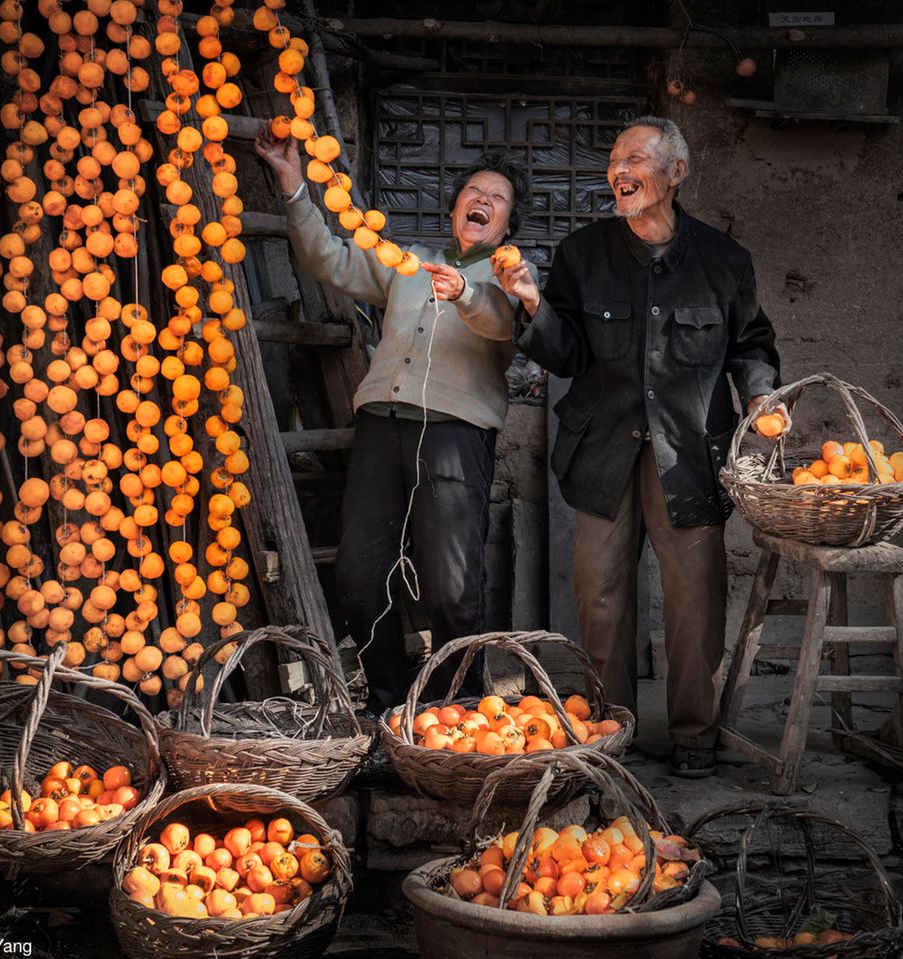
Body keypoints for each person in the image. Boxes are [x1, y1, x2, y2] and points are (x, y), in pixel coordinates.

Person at [491, 116, 781, 778]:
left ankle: (694, 737)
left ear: (676, 172)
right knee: (600, 595)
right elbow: (566, 353)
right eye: (615, 158)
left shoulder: (724, 262)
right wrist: (533, 304)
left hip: (690, 453)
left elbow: (751, 345)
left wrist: (762, 398)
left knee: (695, 600)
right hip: (603, 449)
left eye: (636, 159)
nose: (619, 169)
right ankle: (610, 731)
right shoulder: (584, 254)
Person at [254, 130, 536, 715]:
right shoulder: (409, 263)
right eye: (473, 191)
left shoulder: (512, 277)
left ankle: (457, 712)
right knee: (358, 576)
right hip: (381, 427)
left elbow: (500, 322)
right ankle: (387, 704)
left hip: (455, 433)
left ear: (507, 224)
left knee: (452, 586)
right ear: (456, 207)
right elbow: (327, 259)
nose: (482, 199)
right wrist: (293, 184)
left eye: (497, 198)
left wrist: (465, 291)